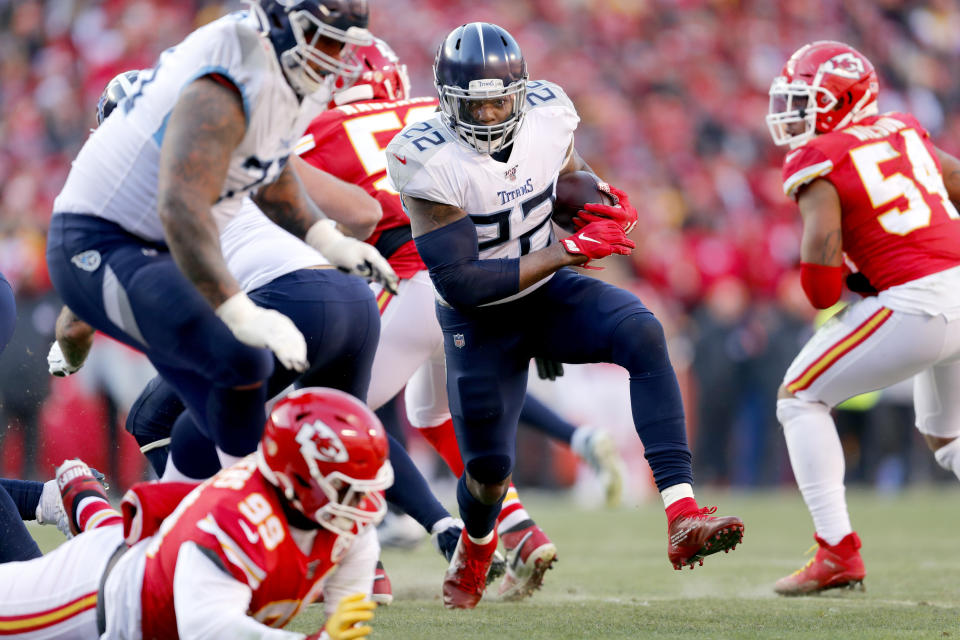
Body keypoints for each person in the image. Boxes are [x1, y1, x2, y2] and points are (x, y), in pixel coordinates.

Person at [386, 22, 745, 609]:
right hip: (478, 320)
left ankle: (682, 513)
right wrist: (568, 250)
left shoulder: (549, 113)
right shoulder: (422, 157)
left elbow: (567, 178)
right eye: (475, 105)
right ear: (447, 102)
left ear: (522, 91)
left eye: (501, 99)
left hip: (546, 290)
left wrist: (597, 202)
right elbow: (463, 283)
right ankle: (478, 547)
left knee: (643, 331)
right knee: (486, 474)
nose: (490, 114)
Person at [295, 36, 623, 600]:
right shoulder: (443, 114)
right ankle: (517, 529)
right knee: (431, 413)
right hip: (477, 295)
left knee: (324, 415)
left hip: (411, 282)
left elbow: (299, 204)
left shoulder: (324, 131)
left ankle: (357, 560)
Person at [45, 1, 395, 482]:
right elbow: (180, 211)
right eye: (326, 39)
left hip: (228, 270)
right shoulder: (221, 82)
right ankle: (188, 527)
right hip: (108, 241)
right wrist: (240, 311)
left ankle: (219, 517)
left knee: (237, 406)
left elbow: (270, 175)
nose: (337, 58)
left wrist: (325, 241)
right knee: (229, 379)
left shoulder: (274, 79)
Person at [765, 41, 960, 595]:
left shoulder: (818, 158)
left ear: (843, 102)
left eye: (807, 102)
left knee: (799, 397)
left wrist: (857, 277)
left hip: (920, 303)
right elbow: (956, 181)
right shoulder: (903, 129)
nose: (794, 114)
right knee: (945, 435)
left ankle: (837, 552)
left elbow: (819, 285)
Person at [0, 387, 387, 640]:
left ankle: (77, 492)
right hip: (95, 595)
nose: (362, 502)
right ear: (298, 478)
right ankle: (74, 493)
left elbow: (345, 622)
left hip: (137, 549)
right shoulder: (239, 522)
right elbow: (204, 627)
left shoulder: (343, 522)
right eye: (348, 485)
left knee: (111, 532)